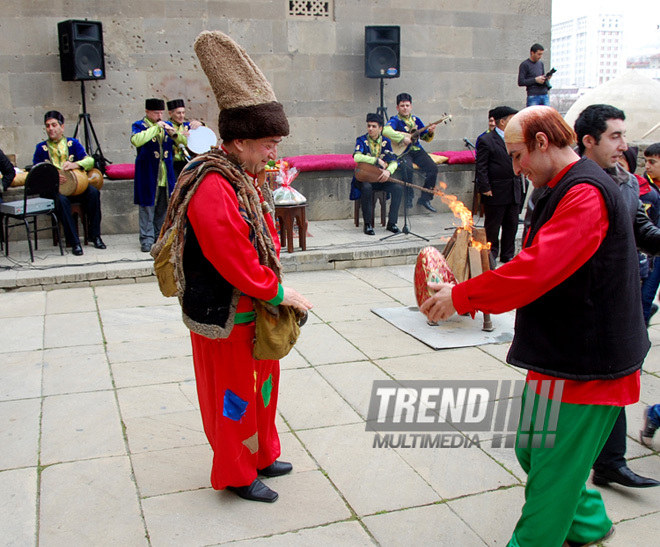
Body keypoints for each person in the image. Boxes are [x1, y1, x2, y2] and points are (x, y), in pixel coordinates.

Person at [420, 106, 648, 547]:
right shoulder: (563, 187)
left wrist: (461, 297)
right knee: (531, 446)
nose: (516, 167)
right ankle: (588, 524)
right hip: (561, 355)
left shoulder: (585, 194)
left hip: (588, 365)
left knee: (551, 474)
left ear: (543, 143)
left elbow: (535, 269)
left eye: (518, 154)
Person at [160, 30, 312, 503]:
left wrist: (271, 182)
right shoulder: (212, 184)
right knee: (234, 397)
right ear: (239, 141)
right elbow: (235, 257)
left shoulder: (245, 174)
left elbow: (260, 232)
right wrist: (281, 293)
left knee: (263, 385)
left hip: (253, 308)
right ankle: (235, 471)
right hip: (226, 314)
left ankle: (263, 453)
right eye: (268, 144)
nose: (274, 153)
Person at [574, 104, 660, 490]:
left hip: (625, 291)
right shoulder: (565, 182)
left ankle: (610, 462)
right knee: (591, 384)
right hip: (587, 302)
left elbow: (638, 226)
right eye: (615, 136)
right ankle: (581, 462)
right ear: (588, 141)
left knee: (619, 378)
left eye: (624, 135)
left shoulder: (625, 180)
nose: (625, 145)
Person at [33, 111, 106, 256]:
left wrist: (75, 165)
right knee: (61, 201)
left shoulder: (73, 144)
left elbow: (90, 161)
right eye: (47, 126)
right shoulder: (41, 148)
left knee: (93, 193)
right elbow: (36, 172)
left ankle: (95, 235)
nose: (51, 129)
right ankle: (74, 242)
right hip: (55, 191)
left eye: (54, 125)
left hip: (77, 187)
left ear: (62, 127)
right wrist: (52, 178)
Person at [131, 98, 184, 252]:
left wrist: (173, 133)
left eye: (161, 112)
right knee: (147, 207)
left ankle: (158, 236)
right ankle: (146, 239)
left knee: (163, 206)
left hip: (165, 175)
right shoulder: (139, 125)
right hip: (148, 174)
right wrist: (155, 128)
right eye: (156, 113)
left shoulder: (167, 126)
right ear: (147, 112)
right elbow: (136, 140)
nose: (159, 116)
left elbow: (183, 142)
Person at [475, 106, 523, 264]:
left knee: (512, 224)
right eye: (511, 119)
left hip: (513, 188)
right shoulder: (487, 140)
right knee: (493, 227)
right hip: (496, 190)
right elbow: (481, 167)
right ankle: (491, 255)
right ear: (502, 122)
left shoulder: (516, 138)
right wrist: (485, 187)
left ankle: (508, 254)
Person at [383, 93, 438, 212]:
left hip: (417, 150)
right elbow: (385, 131)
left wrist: (430, 132)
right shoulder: (395, 120)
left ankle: (426, 197)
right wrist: (402, 138)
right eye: (402, 105)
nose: (405, 108)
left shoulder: (416, 120)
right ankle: (409, 195)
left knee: (433, 168)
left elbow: (425, 138)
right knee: (407, 167)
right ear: (397, 107)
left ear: (411, 106)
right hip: (404, 152)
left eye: (407, 105)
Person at [351, 113, 402, 235]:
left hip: (379, 178)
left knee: (398, 188)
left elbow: (394, 161)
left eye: (374, 126)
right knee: (367, 188)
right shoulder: (362, 140)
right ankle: (368, 224)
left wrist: (388, 171)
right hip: (364, 178)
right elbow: (356, 157)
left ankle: (392, 223)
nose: (370, 129)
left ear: (380, 129)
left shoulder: (386, 142)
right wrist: (375, 160)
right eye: (369, 126)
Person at [640, 143, 660, 325]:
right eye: (646, 161)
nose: (647, 166)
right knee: (644, 296)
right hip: (651, 252)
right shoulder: (645, 190)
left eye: (652, 162)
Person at [166, 99, 203, 178]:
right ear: (170, 113)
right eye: (178, 113)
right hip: (173, 163)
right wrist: (180, 136)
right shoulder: (166, 126)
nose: (182, 116)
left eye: (183, 112)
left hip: (188, 162)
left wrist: (200, 124)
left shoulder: (188, 126)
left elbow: (203, 135)